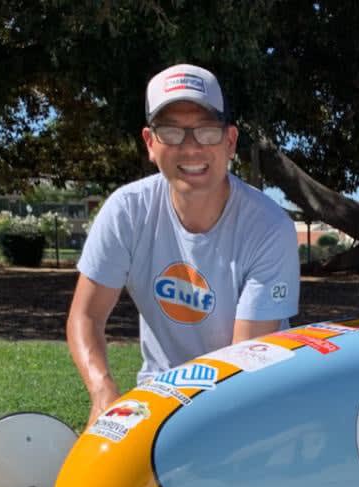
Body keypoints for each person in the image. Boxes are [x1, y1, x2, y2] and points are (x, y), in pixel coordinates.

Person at [67, 63, 299, 426]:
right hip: (158, 397)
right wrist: (103, 393)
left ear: (230, 141)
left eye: (206, 131)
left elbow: (243, 363)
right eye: (171, 131)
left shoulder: (269, 227)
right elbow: (86, 315)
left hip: (251, 402)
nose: (190, 148)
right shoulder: (126, 211)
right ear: (150, 143)